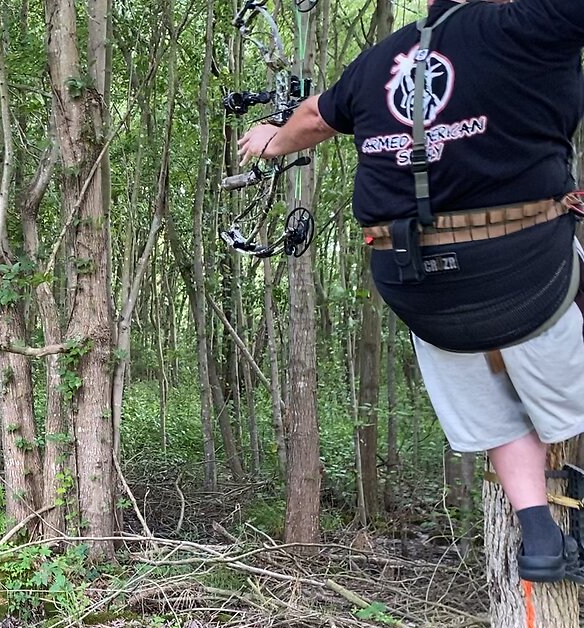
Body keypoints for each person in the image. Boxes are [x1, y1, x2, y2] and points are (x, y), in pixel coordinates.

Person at [238, 0, 584, 583]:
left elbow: (316, 119)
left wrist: (272, 140)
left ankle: (541, 538)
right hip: (527, 276)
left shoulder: (377, 63)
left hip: (420, 288)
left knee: (495, 412)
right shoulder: (530, 23)